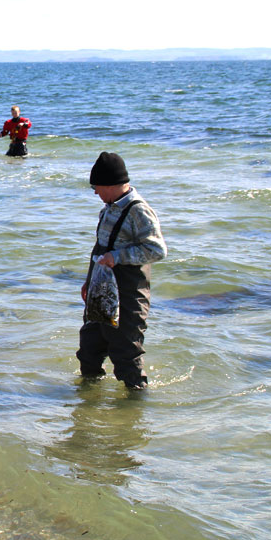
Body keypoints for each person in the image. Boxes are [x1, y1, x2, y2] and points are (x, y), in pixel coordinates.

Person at [79, 152, 167, 390]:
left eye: (96, 187)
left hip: (129, 292)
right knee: (89, 349)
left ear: (109, 184)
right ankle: (86, 403)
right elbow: (100, 248)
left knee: (126, 354)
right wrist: (89, 281)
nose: (95, 192)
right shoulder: (108, 208)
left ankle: (133, 414)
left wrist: (117, 257)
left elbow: (157, 250)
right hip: (102, 288)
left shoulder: (138, 210)